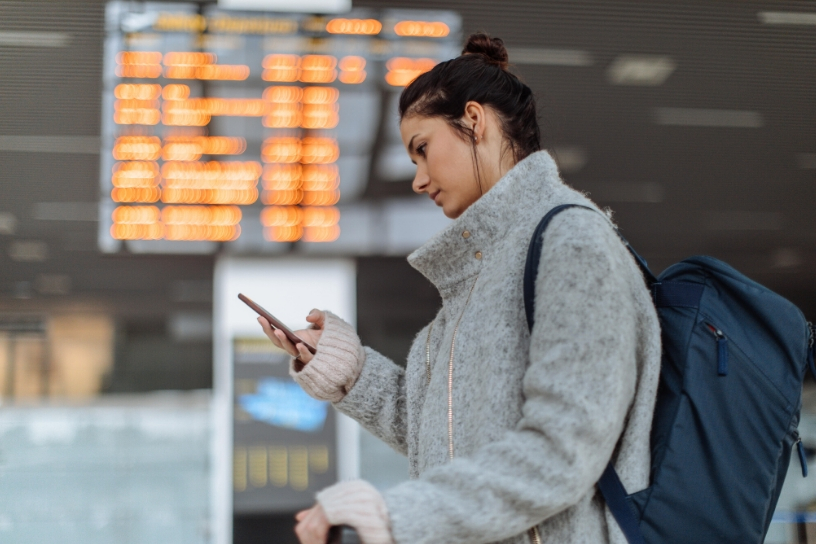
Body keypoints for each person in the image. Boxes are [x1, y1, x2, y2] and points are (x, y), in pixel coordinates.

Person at [259, 33, 661, 544]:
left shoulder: (572, 241)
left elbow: (564, 450)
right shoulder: (481, 270)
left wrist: (398, 516)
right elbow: (441, 436)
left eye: (422, 150)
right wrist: (349, 370)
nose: (418, 180)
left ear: (474, 119)